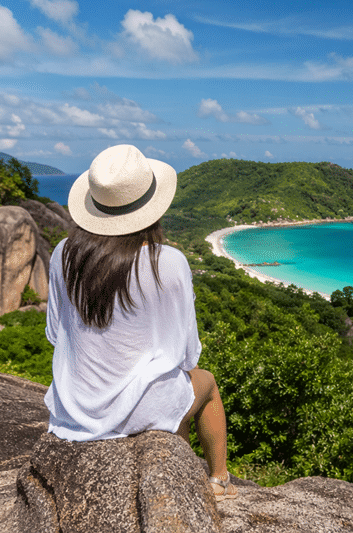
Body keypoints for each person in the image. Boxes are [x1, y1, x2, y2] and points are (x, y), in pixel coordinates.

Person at [44, 144, 236, 501]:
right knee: (205, 384)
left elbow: (57, 335)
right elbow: (187, 355)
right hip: (140, 410)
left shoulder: (63, 254)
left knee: (170, 389)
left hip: (75, 409)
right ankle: (219, 480)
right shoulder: (169, 262)